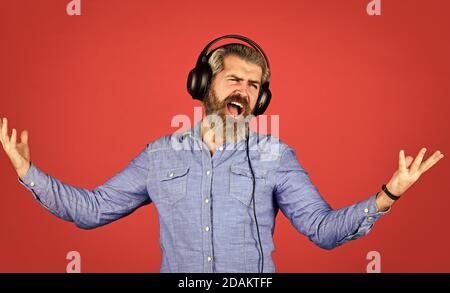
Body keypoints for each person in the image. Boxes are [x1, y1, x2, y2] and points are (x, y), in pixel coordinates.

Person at [0, 35, 444, 273]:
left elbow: (323, 231)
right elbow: (93, 209)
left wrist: (388, 194)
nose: (243, 91)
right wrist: (28, 171)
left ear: (261, 98)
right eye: (234, 79)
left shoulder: (275, 156)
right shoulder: (160, 155)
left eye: (253, 85)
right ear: (203, 85)